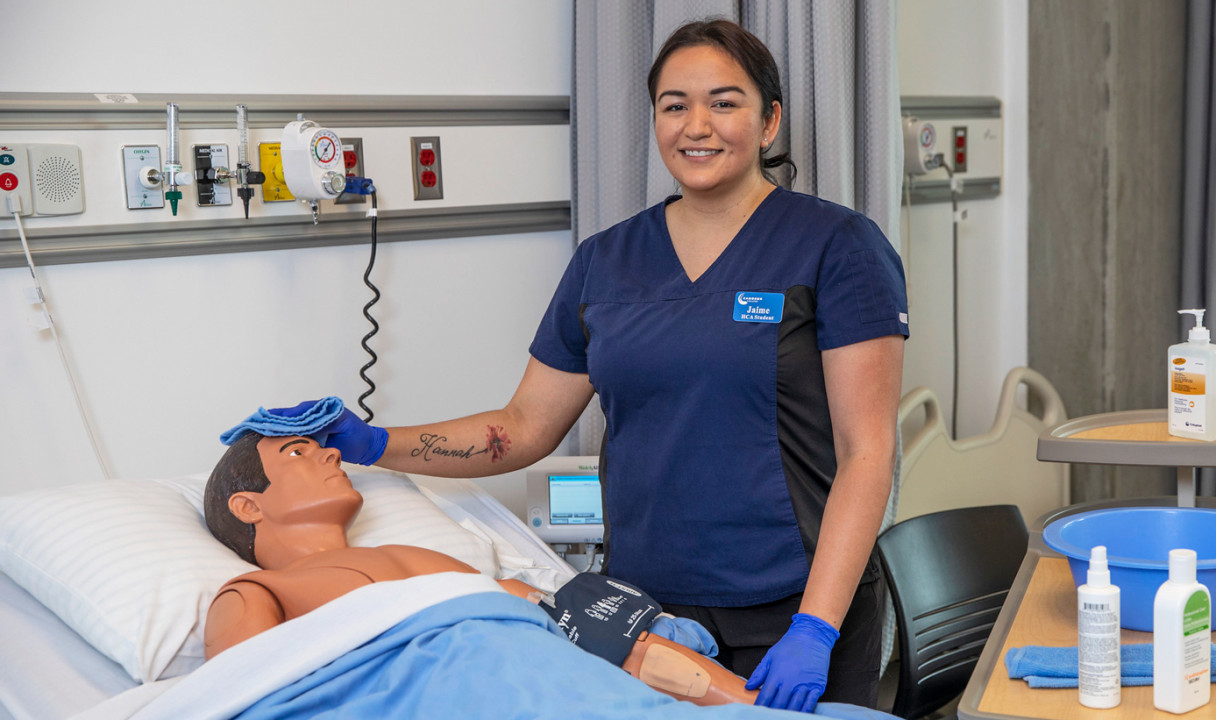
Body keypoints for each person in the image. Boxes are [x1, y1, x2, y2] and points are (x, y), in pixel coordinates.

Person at [268, 18, 907, 714]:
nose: (698, 125)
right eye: (674, 105)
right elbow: (523, 428)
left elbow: (866, 451)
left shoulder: (836, 247)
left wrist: (815, 627)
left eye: (725, 102)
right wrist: (371, 442)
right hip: (648, 615)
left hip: (794, 604)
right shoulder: (605, 262)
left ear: (769, 120)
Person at [203, 430, 758, 707]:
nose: (328, 454)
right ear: (248, 506)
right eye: (297, 454)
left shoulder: (434, 565)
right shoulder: (254, 590)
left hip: (562, 677)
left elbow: (603, 640)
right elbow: (252, 696)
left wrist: (753, 703)